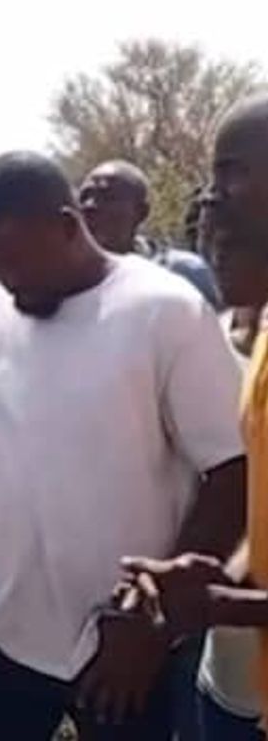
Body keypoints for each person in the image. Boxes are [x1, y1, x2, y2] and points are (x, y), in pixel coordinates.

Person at [0, 151, 246, 740]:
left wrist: (157, 621)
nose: (9, 280)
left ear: (67, 225)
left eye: (19, 261)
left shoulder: (165, 309)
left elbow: (233, 470)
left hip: (122, 650)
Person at [120, 94, 268, 740]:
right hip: (238, 687)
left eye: (229, 175)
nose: (211, 203)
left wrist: (224, 604)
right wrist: (205, 582)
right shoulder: (260, 343)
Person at [79, 159, 222, 309]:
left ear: (141, 212)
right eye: (84, 197)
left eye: (107, 197)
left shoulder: (187, 273)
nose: (89, 206)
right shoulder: (69, 283)